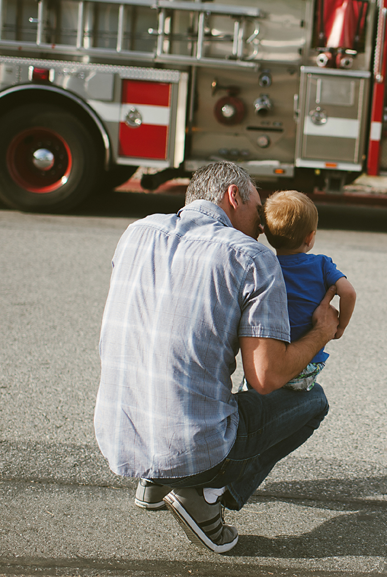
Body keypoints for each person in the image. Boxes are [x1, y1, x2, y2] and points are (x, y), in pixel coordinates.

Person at [94, 162, 339, 555]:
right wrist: (322, 331)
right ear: (233, 196)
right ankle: (205, 498)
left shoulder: (137, 232)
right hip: (192, 446)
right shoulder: (252, 258)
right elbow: (266, 377)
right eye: (259, 211)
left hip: (120, 439)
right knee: (313, 400)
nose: (263, 225)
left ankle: (154, 481)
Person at [261, 190, 357, 391]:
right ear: (310, 236)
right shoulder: (321, 265)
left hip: (269, 359)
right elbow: (348, 293)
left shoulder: (264, 265)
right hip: (308, 363)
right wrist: (340, 327)